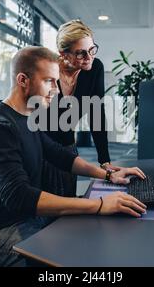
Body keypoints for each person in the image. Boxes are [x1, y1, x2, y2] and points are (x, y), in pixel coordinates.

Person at [0, 46, 147, 267]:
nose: (56, 89)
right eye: (49, 81)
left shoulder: (27, 116)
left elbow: (60, 156)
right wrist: (99, 204)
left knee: (93, 233)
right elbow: (19, 196)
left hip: (27, 219)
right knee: (81, 255)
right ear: (23, 80)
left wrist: (109, 174)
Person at [42, 19, 120, 198]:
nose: (89, 57)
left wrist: (104, 161)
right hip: (40, 150)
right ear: (64, 54)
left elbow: (96, 113)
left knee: (68, 201)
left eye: (92, 49)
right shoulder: (48, 72)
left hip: (68, 147)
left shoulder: (94, 69)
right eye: (80, 53)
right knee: (43, 210)